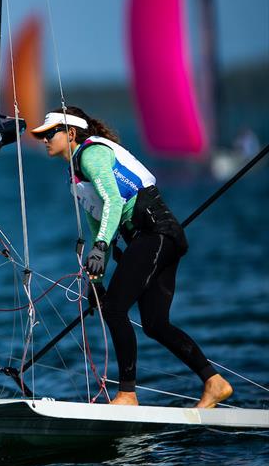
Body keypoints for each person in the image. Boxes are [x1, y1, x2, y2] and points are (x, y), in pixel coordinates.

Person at [31, 106, 232, 408]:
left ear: (70, 133)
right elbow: (100, 227)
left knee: (114, 310)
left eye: (50, 134)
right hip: (155, 239)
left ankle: (127, 394)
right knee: (155, 324)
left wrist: (100, 248)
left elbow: (114, 199)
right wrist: (95, 277)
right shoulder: (76, 175)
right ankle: (215, 383)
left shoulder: (90, 155)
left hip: (157, 234)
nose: (44, 139)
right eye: (43, 136)